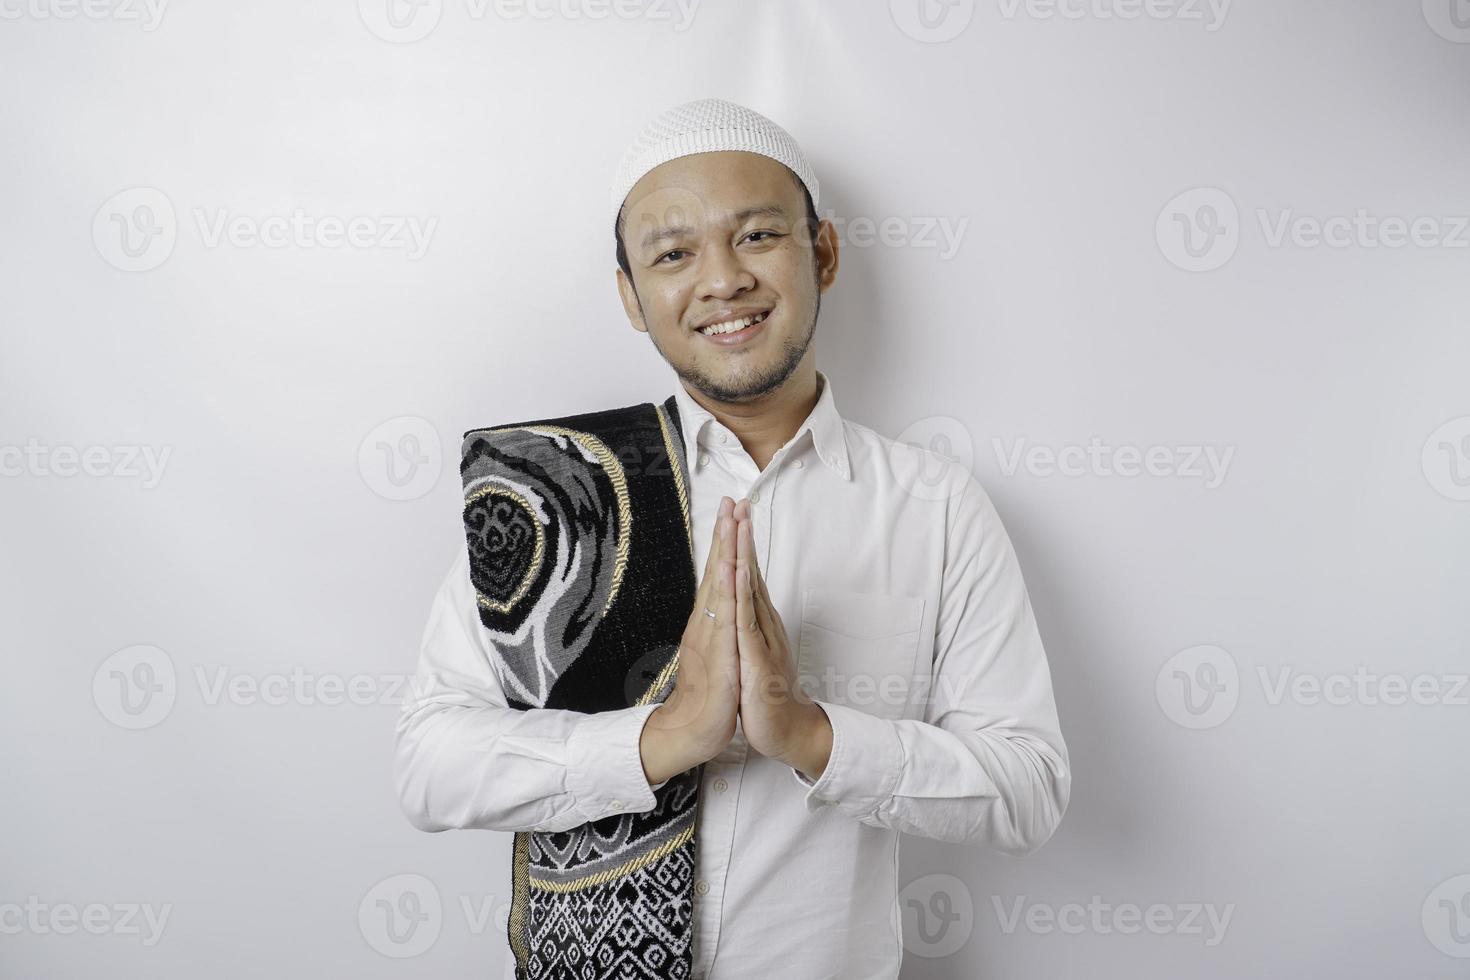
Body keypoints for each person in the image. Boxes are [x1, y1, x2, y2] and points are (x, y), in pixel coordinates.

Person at [395, 97, 1071, 980]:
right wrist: (662, 738)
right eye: (673, 255)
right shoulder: (556, 491)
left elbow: (1028, 789)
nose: (722, 280)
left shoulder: (935, 507)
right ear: (632, 297)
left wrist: (811, 736)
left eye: (756, 236)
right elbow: (429, 765)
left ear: (821, 252)